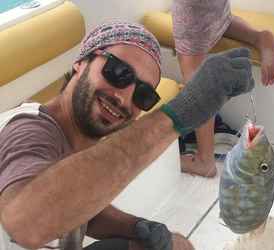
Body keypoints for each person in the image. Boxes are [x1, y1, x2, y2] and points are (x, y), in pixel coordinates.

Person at [0, 20, 254, 250]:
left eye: (143, 95)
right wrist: (179, 115)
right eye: (118, 73)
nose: (123, 98)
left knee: (176, 246)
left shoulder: (75, 134)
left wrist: (138, 228)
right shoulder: (27, 130)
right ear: (80, 63)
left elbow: (75, 205)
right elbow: (27, 224)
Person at [172, 0, 274, 177]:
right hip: (215, 11)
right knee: (221, 21)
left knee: (195, 80)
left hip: (192, 10)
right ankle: (258, 36)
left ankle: (204, 160)